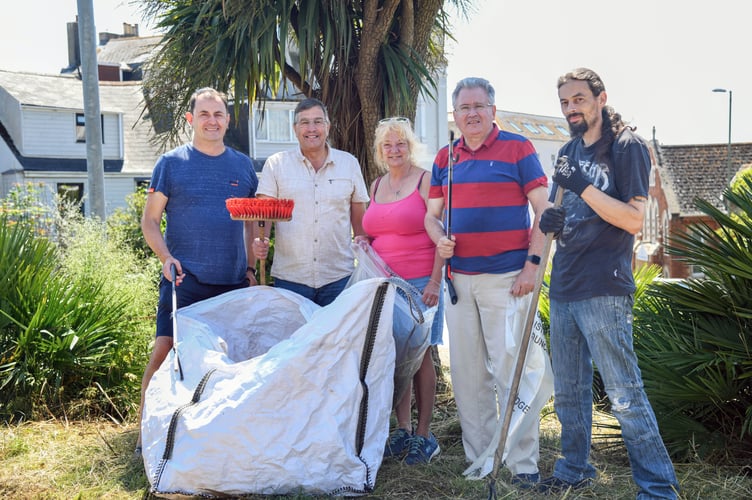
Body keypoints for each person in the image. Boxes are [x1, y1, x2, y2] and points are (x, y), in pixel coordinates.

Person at [537, 68, 679, 498]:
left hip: (605, 285)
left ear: (600, 98)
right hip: (563, 282)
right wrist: (550, 219)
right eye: (564, 102)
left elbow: (634, 218)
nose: (570, 109)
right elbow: (560, 211)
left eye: (578, 99)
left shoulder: (626, 146)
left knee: (624, 393)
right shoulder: (566, 150)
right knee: (569, 392)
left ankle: (658, 488)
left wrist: (581, 184)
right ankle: (574, 469)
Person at [424, 77, 550, 486]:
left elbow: (543, 213)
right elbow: (431, 215)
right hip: (460, 281)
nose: (472, 113)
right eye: (464, 107)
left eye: (479, 106)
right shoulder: (446, 157)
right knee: (468, 374)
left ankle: (522, 463)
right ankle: (481, 460)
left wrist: (532, 267)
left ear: (493, 110)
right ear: (456, 115)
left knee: (512, 372)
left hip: (508, 280)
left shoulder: (519, 148)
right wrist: (438, 236)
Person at [135, 87, 259, 456]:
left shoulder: (242, 165)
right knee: (164, 351)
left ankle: (217, 440)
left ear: (228, 120)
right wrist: (165, 257)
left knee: (230, 362)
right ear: (191, 120)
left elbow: (251, 221)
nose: (212, 121)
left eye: (218, 114)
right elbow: (150, 221)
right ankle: (144, 435)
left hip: (233, 281)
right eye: (204, 114)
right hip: (184, 279)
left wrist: (251, 267)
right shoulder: (171, 164)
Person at [358, 117, 444, 465]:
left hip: (423, 282)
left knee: (420, 355)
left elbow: (442, 231)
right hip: (385, 285)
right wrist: (365, 240)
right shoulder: (376, 185)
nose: (395, 150)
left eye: (401, 144)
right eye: (388, 145)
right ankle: (403, 430)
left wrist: (437, 282)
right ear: (380, 151)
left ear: (411, 147)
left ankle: (425, 436)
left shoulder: (425, 181)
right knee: (394, 355)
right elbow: (376, 230)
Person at [252, 98, 369, 306]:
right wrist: (258, 241)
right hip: (290, 279)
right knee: (293, 339)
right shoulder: (277, 164)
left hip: (339, 277)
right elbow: (264, 214)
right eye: (304, 122)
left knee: (336, 339)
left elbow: (359, 220)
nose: (311, 128)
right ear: (295, 128)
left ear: (328, 126)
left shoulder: (349, 163)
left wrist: (366, 261)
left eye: (317, 121)